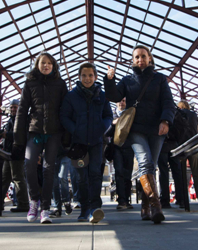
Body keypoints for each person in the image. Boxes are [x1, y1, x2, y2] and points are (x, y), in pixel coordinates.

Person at [104, 45, 175, 224]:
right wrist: (109, 79)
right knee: (144, 162)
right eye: (136, 57)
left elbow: (168, 102)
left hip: (156, 128)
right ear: (132, 60)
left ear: (150, 58)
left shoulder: (159, 79)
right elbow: (113, 96)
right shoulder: (127, 80)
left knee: (150, 166)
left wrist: (165, 121)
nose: (140, 59)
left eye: (143, 56)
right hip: (135, 129)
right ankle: (156, 206)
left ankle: (145, 206)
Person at [14, 52, 67, 224]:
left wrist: (66, 134)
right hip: (35, 130)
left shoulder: (60, 83)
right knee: (29, 163)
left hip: (54, 132)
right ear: (37, 65)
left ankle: (45, 209)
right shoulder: (30, 83)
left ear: (54, 66)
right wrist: (18, 139)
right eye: (43, 63)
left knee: (48, 168)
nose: (46, 66)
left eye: (49, 63)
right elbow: (22, 110)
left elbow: (65, 109)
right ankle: (33, 202)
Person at [60, 62, 113, 223]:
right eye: (84, 75)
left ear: (96, 77)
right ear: (79, 77)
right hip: (79, 144)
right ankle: (84, 208)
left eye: (90, 75)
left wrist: (102, 128)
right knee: (81, 176)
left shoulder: (102, 95)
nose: (87, 78)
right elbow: (64, 116)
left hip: (97, 141)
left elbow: (108, 115)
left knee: (95, 174)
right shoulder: (71, 96)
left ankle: (95, 207)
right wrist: (75, 130)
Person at [0, 99, 29, 213]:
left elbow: (22, 135)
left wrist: (7, 134)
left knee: (18, 178)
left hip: (17, 152)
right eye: (11, 107)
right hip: (8, 152)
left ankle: (24, 204)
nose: (12, 109)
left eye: (15, 107)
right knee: (4, 178)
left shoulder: (22, 120)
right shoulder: (10, 120)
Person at [178, 100, 198, 206]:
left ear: (180, 107)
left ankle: (183, 199)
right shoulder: (194, 115)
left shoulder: (179, 114)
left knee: (181, 174)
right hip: (194, 145)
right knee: (196, 172)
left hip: (181, 146)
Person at [111, 99, 135, 210]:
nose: (122, 103)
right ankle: (121, 200)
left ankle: (127, 199)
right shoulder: (111, 114)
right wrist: (112, 124)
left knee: (128, 174)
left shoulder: (130, 113)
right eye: (120, 101)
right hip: (116, 147)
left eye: (124, 101)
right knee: (119, 173)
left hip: (129, 146)